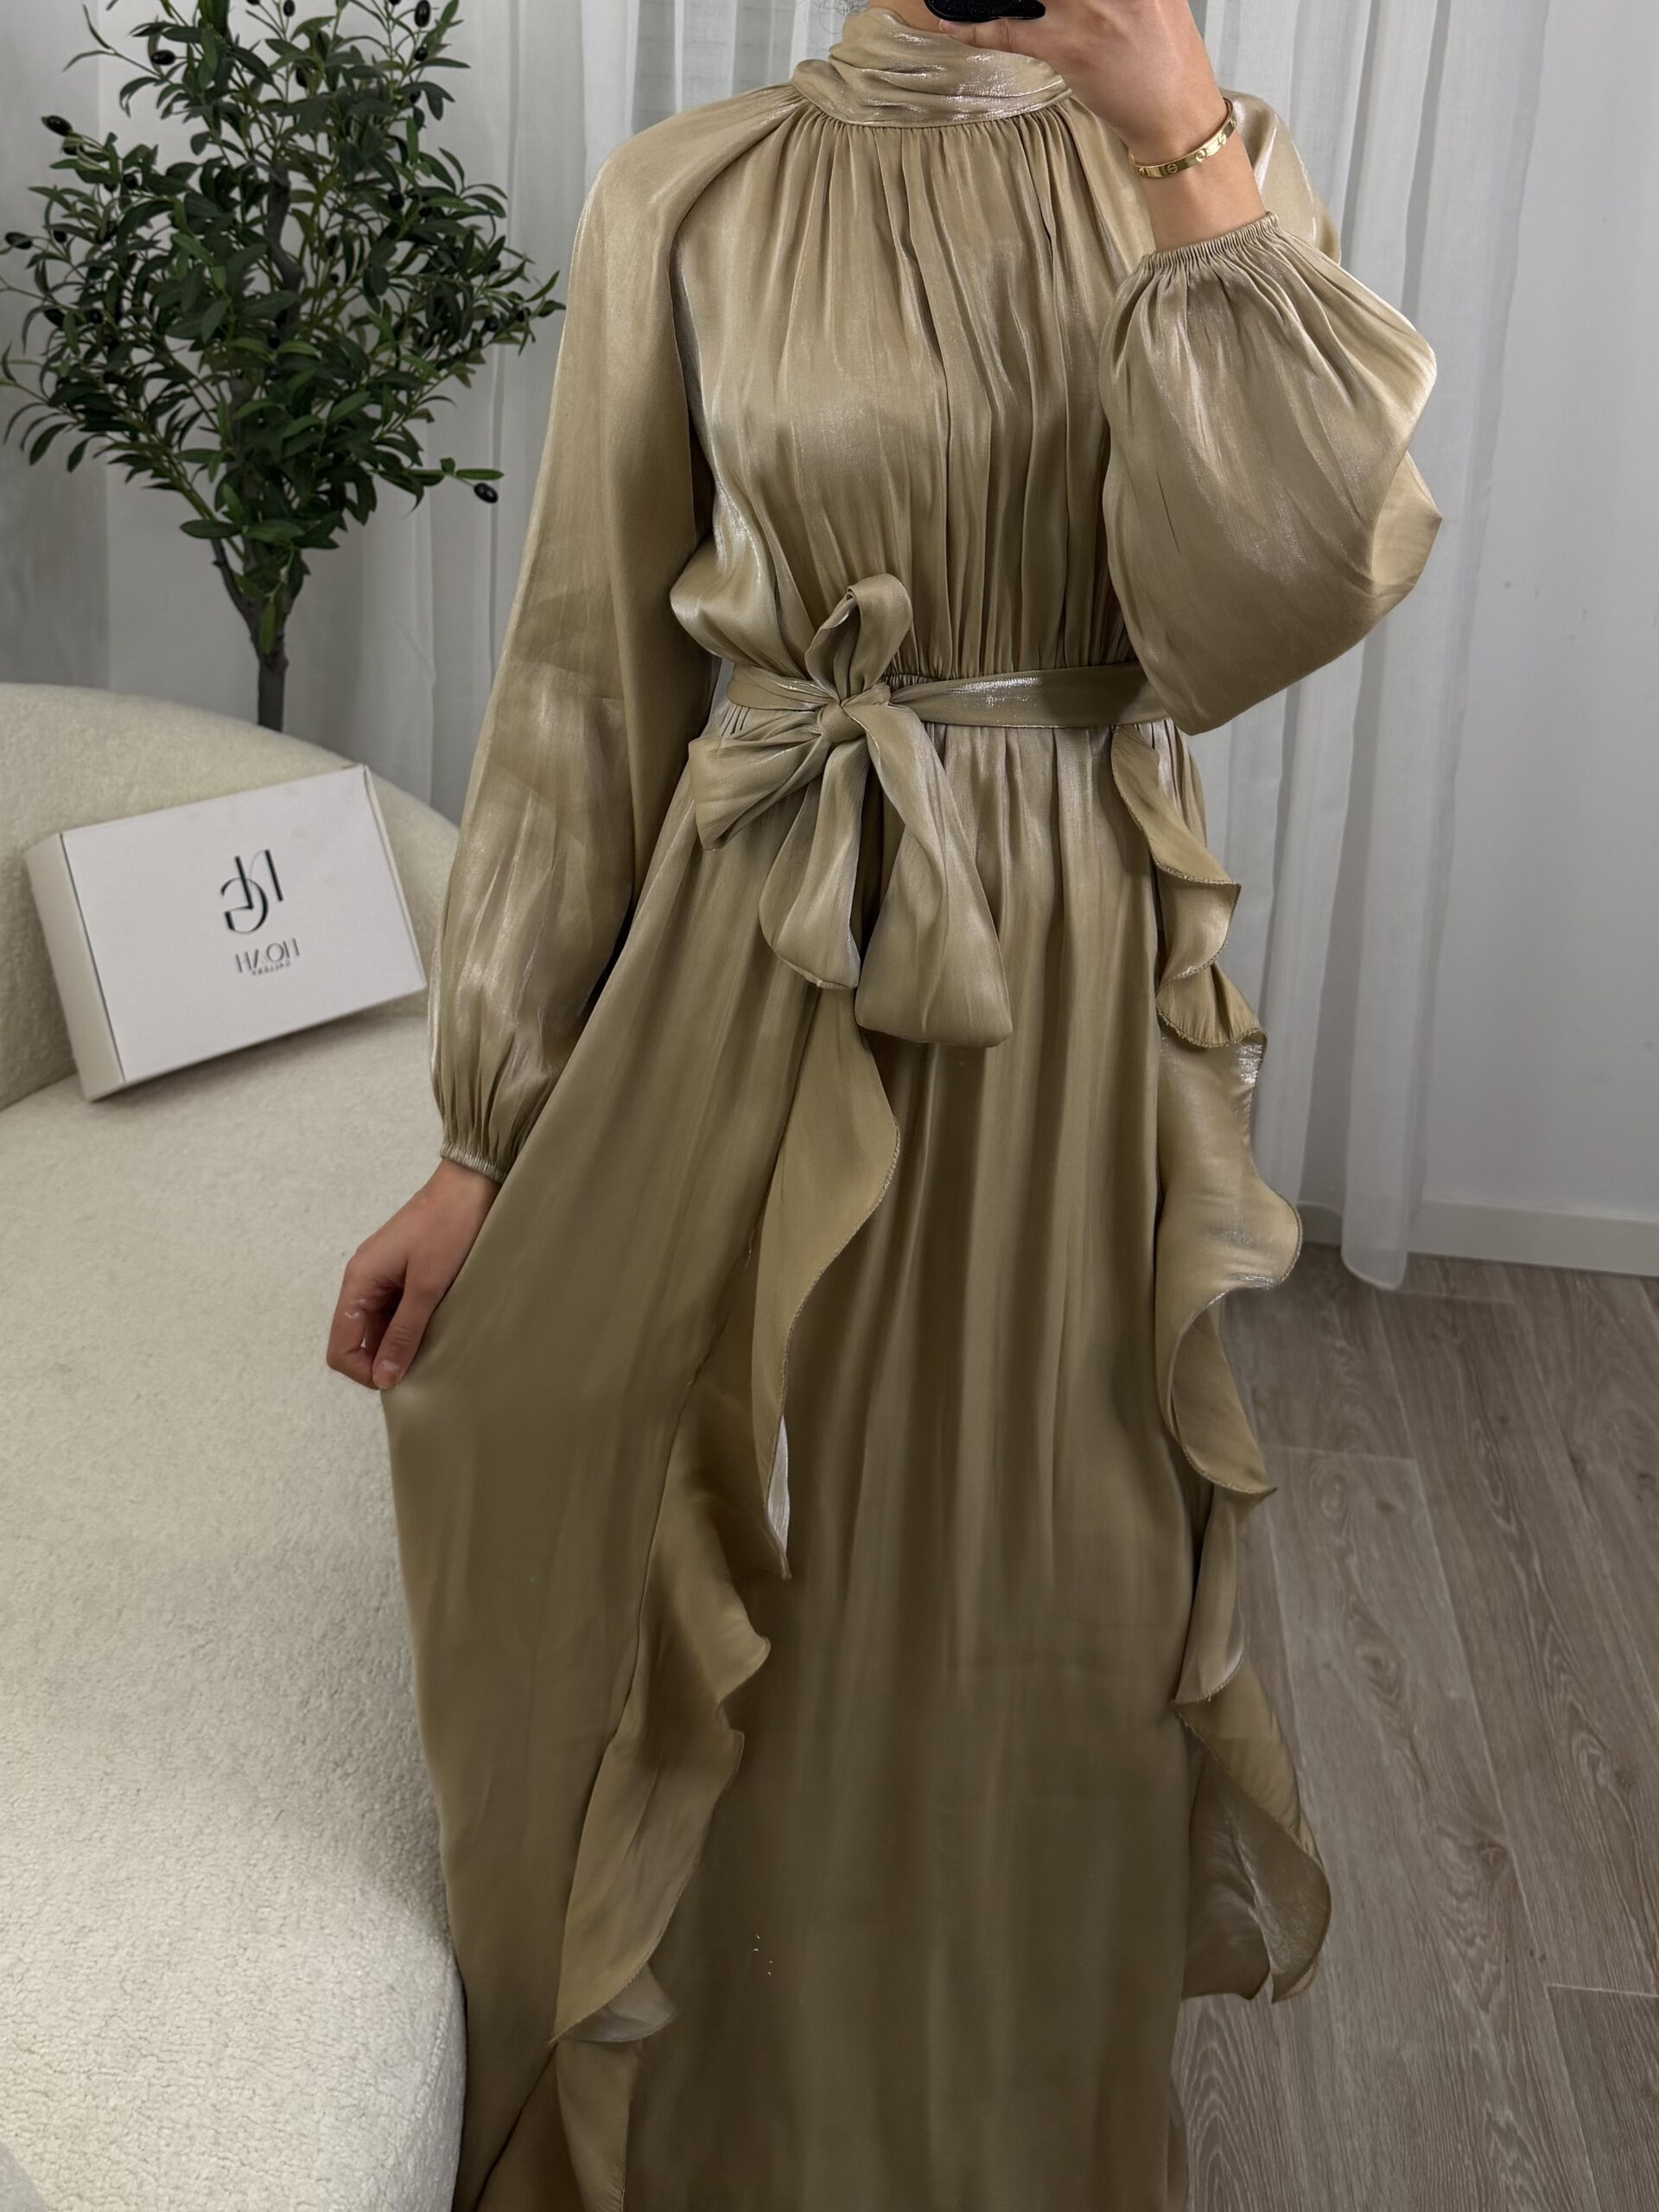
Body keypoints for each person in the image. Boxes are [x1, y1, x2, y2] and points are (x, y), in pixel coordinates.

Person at [326, 3, 1440, 2206]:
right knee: (684, 1504)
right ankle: (714, 2115)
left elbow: (1282, 596)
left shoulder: (1211, 167)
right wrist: (481, 1136)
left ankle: (987, 2128)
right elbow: (587, 676)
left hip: (1064, 981)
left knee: (1045, 1571)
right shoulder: (694, 191)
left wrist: (1180, 139)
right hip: (761, 931)